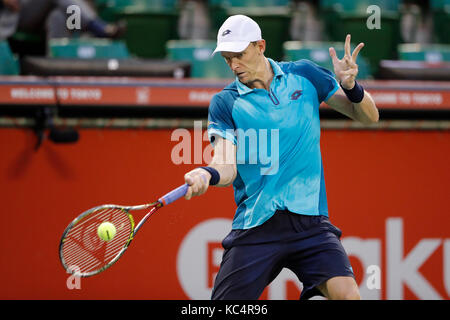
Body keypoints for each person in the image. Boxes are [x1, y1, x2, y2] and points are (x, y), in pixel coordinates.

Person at [183, 15, 379, 300]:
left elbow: (369, 117)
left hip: (310, 221)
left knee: (348, 295)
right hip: (257, 225)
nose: (234, 65)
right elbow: (225, 165)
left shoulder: (305, 75)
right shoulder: (225, 102)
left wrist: (352, 87)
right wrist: (206, 174)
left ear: (260, 46)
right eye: (227, 58)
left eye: (239, 55)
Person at [0, 0, 125, 41]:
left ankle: (56, 75)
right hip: (15, 14)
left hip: (47, 11)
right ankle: (96, 26)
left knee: (58, 17)